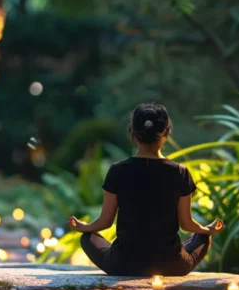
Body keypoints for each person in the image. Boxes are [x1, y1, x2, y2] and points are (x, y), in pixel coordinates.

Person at [68, 103, 224, 276]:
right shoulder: (180, 172)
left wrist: (84, 227)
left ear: (132, 133)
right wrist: (208, 230)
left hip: (123, 265)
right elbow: (187, 224)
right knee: (202, 237)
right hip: (172, 266)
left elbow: (105, 222)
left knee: (87, 237)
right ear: (166, 133)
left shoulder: (117, 170)